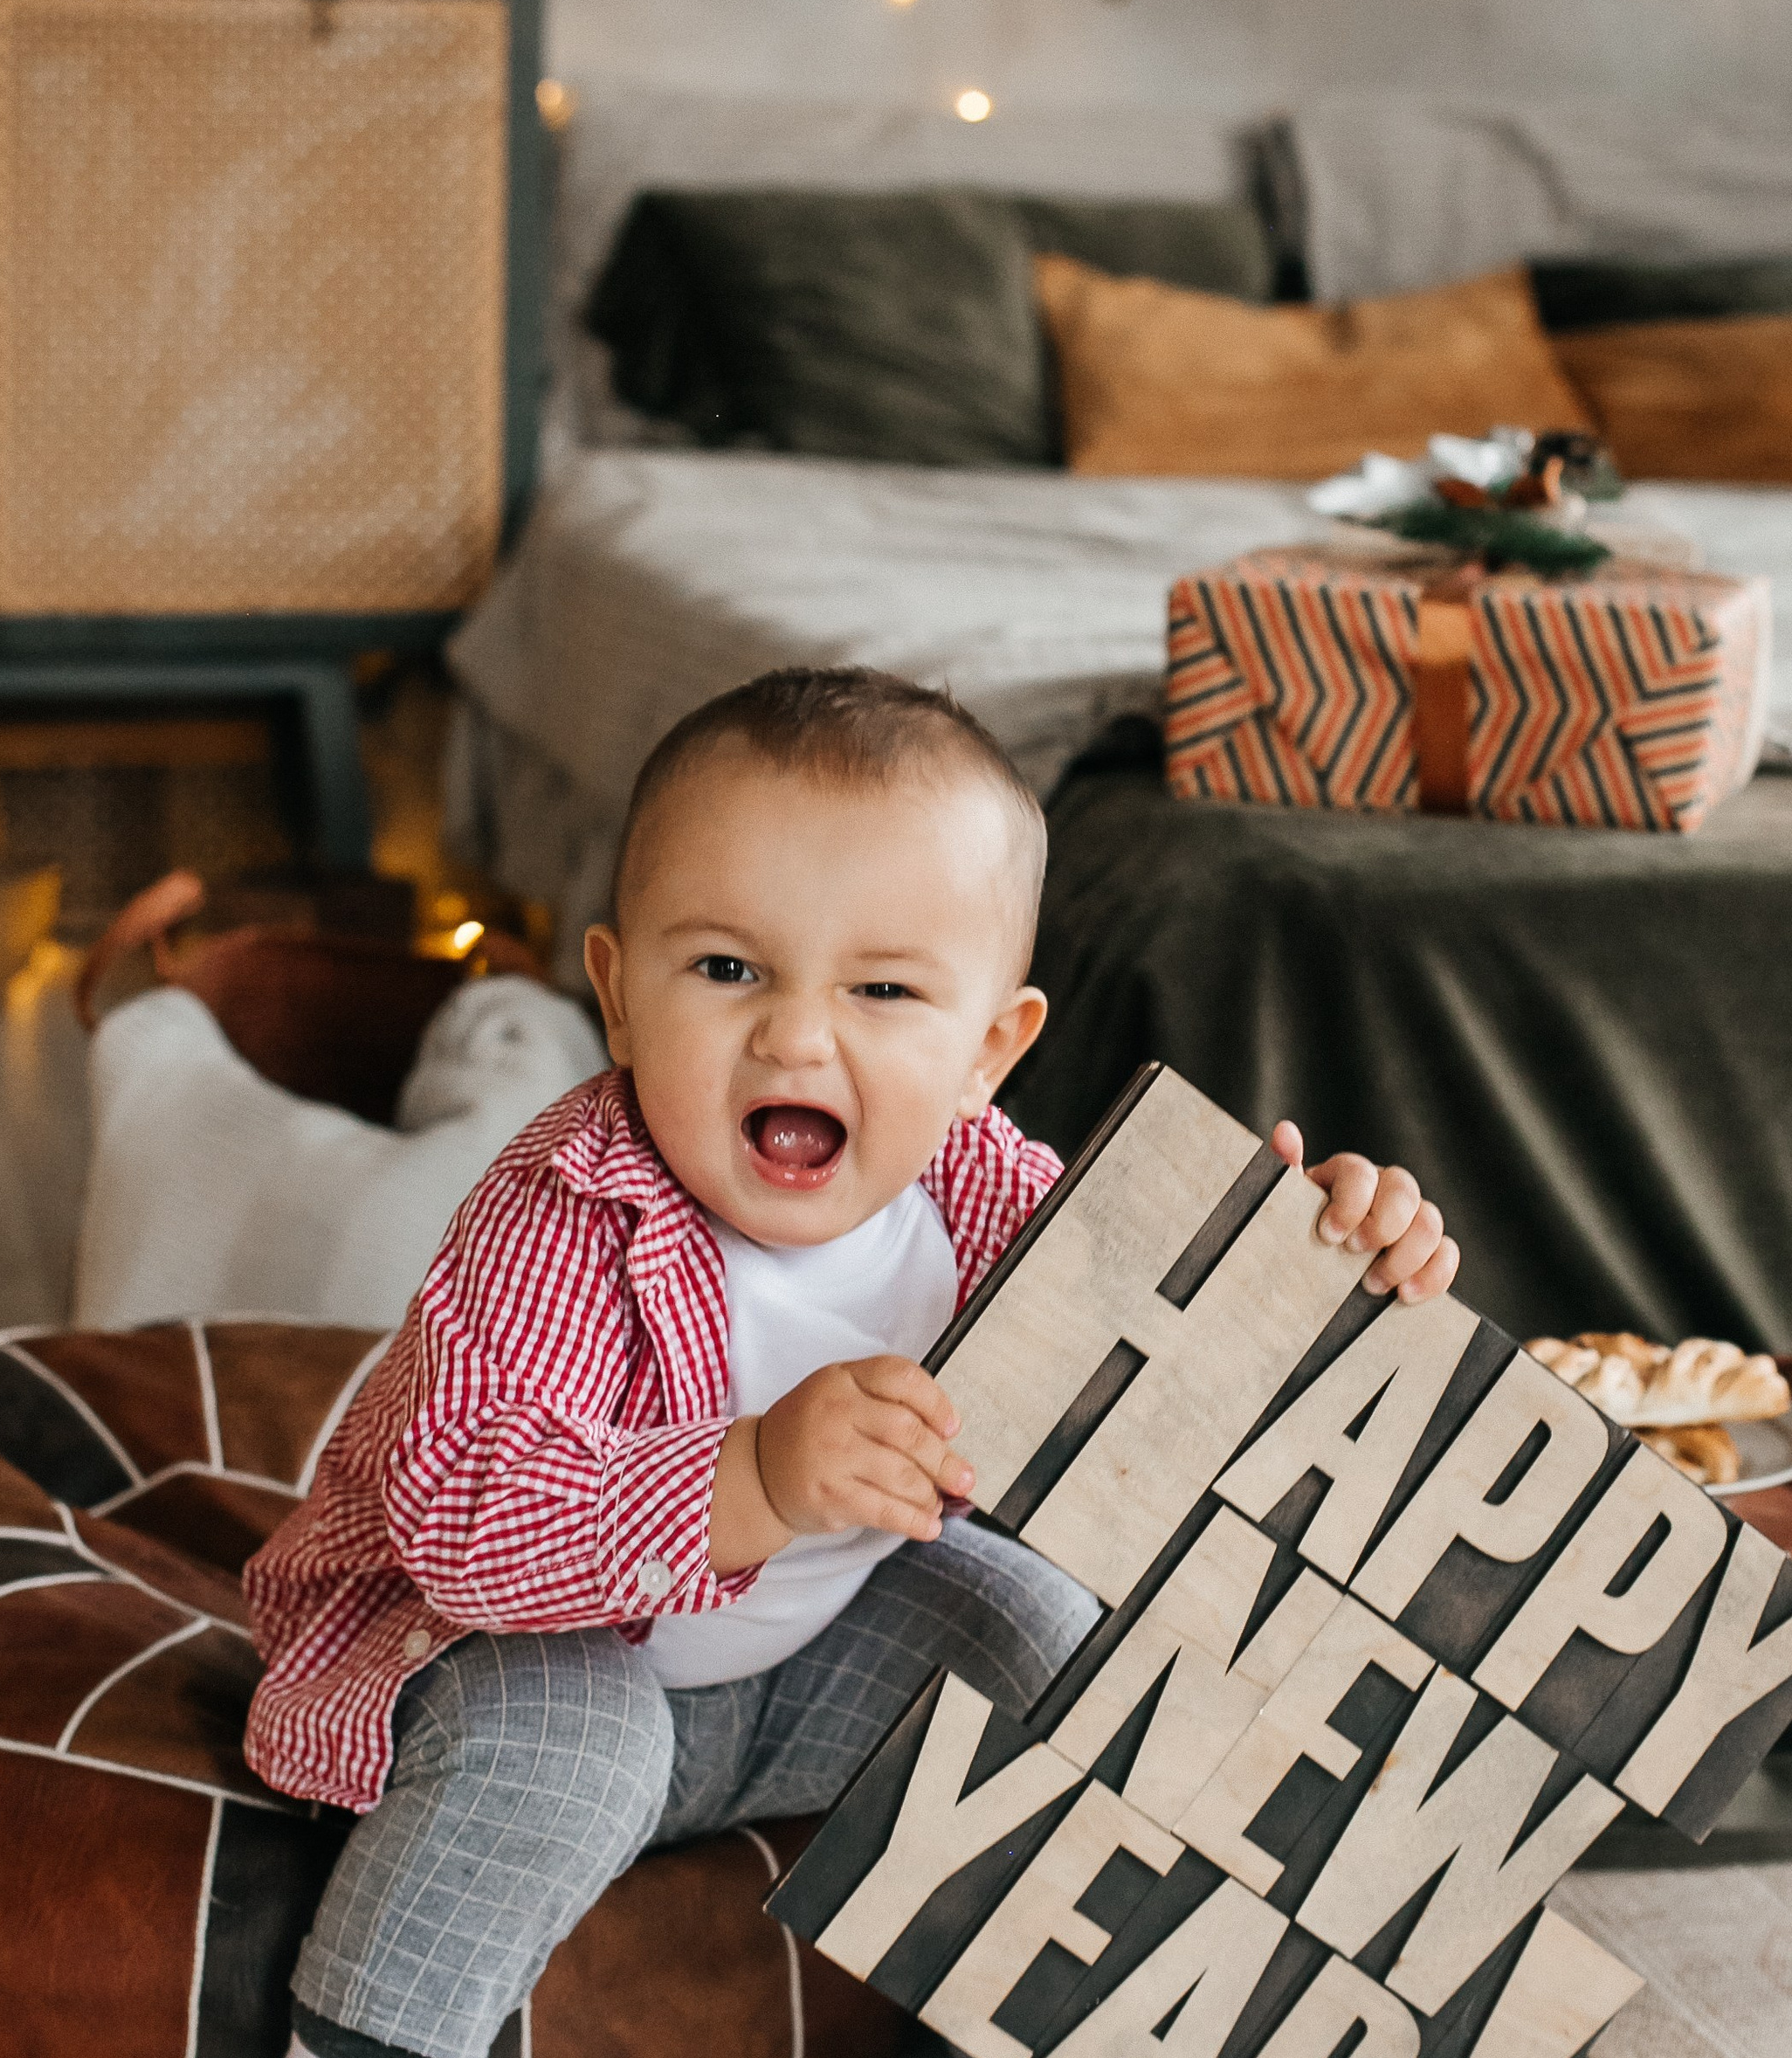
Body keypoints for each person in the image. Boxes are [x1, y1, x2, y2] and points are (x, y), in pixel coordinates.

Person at [244, 666, 1460, 2058]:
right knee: (580, 1744)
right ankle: (368, 2038)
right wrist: (754, 1475)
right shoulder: (567, 1206)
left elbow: (1181, 1378)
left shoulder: (990, 1191)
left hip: (804, 1676)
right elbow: (463, 1522)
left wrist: (1328, 1266)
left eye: (882, 988)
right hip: (508, 1658)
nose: (797, 1034)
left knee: (1053, 1646)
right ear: (619, 999)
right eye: (726, 969)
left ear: (987, 1051)